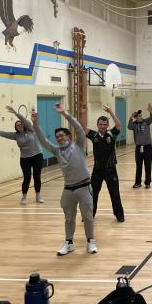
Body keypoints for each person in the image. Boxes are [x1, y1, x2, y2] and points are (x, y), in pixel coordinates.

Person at [32, 104, 97, 256]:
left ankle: (90, 241)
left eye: (62, 135)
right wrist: (35, 125)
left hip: (84, 186)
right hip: (68, 189)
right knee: (69, 219)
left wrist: (65, 114)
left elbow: (80, 129)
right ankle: (69, 243)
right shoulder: (57, 151)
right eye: (58, 137)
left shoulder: (79, 145)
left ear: (69, 136)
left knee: (87, 217)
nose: (60, 138)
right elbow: (43, 141)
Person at [0, 105, 44, 205]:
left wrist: (15, 113)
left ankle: (38, 196)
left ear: (24, 125)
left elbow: (25, 120)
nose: (19, 126)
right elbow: (2, 133)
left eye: (21, 124)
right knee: (27, 177)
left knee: (37, 176)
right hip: (25, 159)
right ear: (16, 127)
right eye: (17, 125)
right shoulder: (15, 135)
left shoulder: (31, 130)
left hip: (37, 156)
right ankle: (24, 197)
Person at [81, 104, 125, 222]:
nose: (103, 126)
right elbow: (83, 128)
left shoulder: (112, 134)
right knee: (93, 194)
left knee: (114, 193)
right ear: (97, 125)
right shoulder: (94, 135)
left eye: (105, 124)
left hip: (111, 170)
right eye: (101, 124)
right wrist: (84, 113)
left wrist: (110, 112)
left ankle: (119, 214)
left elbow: (119, 124)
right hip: (97, 170)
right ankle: (90, 214)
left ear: (107, 125)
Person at [128, 104, 152, 189]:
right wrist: (130, 117)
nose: (140, 117)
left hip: (147, 147)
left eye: (140, 115)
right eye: (138, 116)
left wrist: (150, 112)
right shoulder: (134, 124)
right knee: (139, 165)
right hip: (139, 147)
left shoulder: (146, 121)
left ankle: (147, 182)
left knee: (148, 165)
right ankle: (138, 182)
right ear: (135, 117)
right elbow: (129, 126)